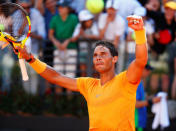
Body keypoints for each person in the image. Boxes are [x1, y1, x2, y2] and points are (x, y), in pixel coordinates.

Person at [15, 15, 147, 130]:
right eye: (95, 55)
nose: (98, 58)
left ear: (114, 59)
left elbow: (141, 60)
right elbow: (56, 77)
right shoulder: (88, 84)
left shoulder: (125, 80)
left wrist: (140, 31)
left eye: (103, 54)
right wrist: (31, 59)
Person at [135, 64, 161, 131]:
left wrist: (156, 97)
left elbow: (142, 99)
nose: (149, 72)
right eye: (147, 70)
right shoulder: (135, 82)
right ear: (141, 70)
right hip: (136, 123)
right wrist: (151, 101)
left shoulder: (139, 82)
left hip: (139, 123)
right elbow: (135, 104)